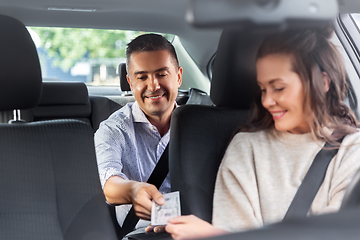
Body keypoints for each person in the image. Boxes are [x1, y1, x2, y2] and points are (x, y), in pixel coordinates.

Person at [164, 27, 360, 239]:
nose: (267, 101)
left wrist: (215, 235)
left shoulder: (351, 150)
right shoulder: (246, 148)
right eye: (263, 89)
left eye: (279, 88)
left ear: (322, 83)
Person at [94, 33, 183, 231]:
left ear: (178, 76)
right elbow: (109, 183)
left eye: (162, 74)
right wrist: (133, 191)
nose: (153, 86)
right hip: (142, 234)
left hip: (196, 228)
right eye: (142, 77)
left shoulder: (199, 126)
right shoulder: (113, 129)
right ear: (131, 83)